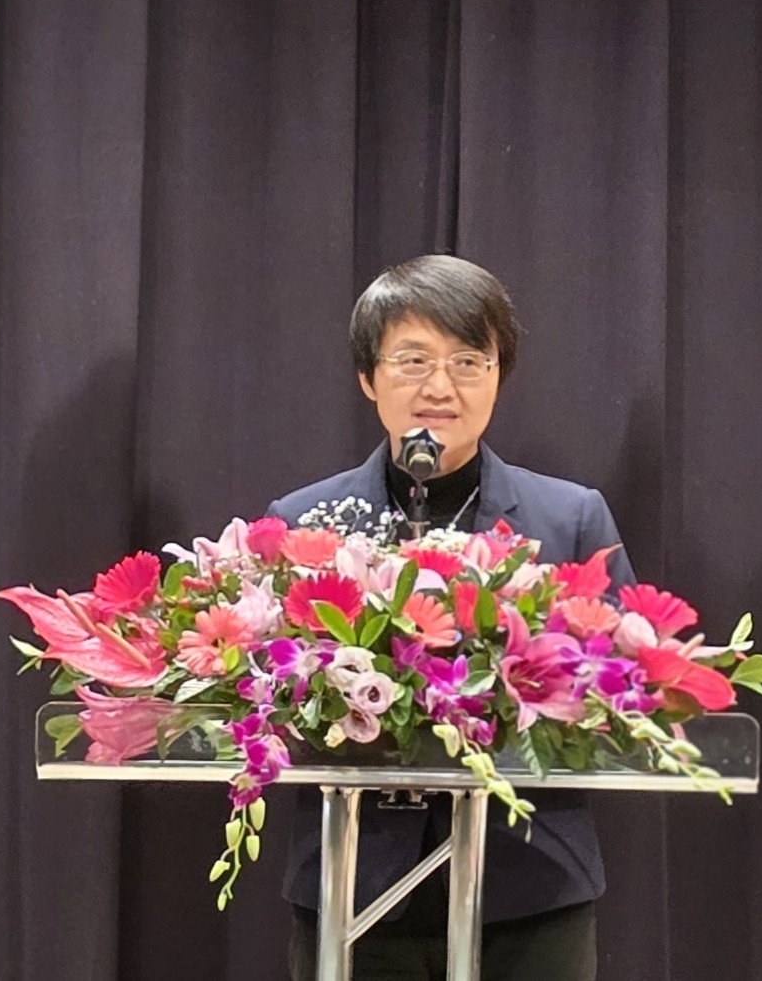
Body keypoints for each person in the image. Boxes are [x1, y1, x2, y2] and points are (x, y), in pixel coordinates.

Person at [267, 254, 631, 981]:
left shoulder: (570, 518)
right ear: (368, 377)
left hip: (529, 888)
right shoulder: (304, 523)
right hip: (353, 882)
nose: (440, 386)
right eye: (413, 361)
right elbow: (268, 692)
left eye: (469, 361)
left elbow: (622, 690)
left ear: (498, 376)